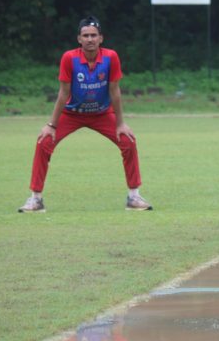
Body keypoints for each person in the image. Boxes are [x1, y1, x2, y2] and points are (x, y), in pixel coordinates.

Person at [17, 16, 152, 212]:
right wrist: (51, 125)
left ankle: (134, 197)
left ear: (101, 38)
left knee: (128, 141)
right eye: (86, 35)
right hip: (72, 114)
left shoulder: (111, 57)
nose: (90, 39)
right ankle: (35, 200)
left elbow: (115, 90)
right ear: (79, 39)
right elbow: (63, 93)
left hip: (102, 113)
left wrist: (121, 123)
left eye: (94, 35)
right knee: (44, 141)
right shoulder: (69, 58)